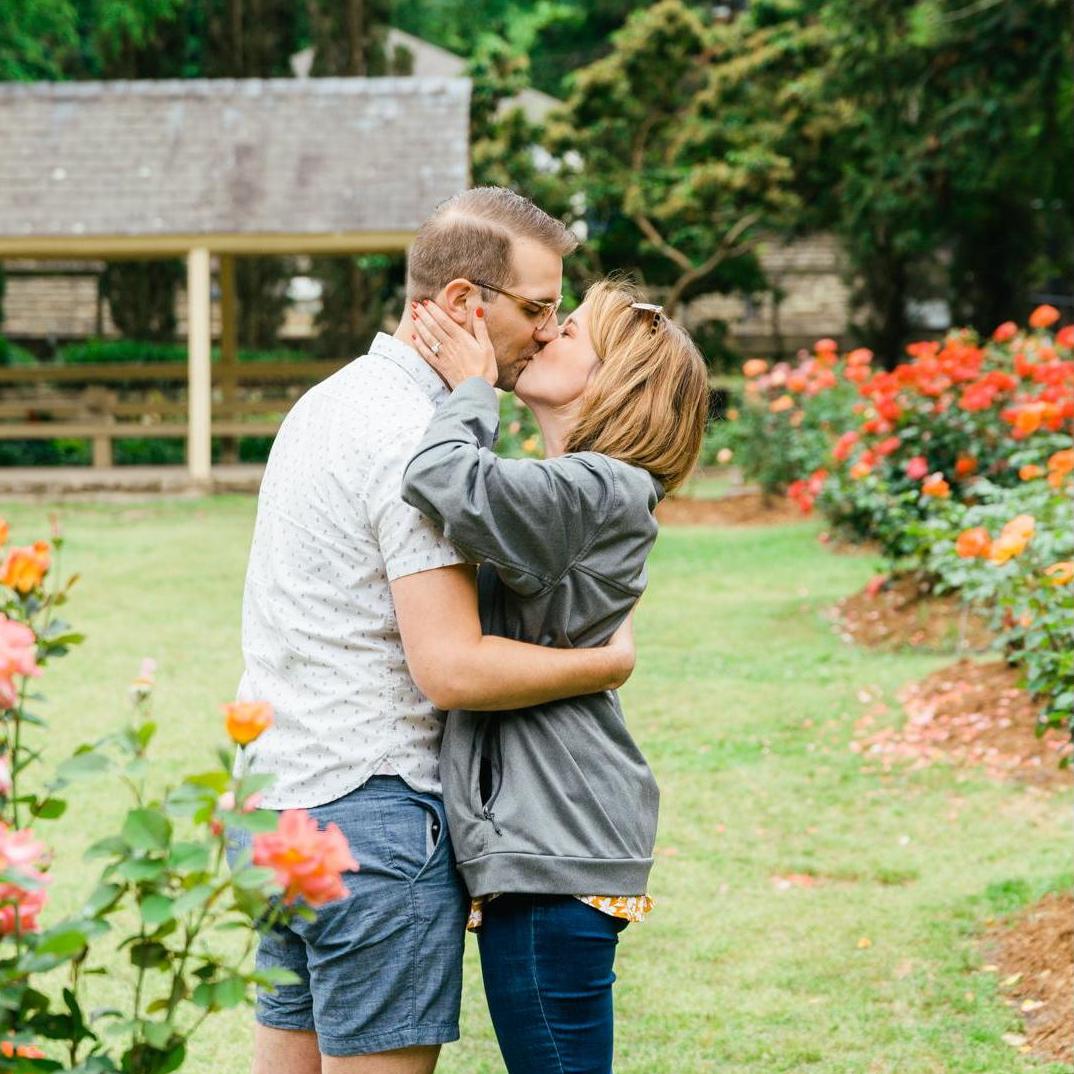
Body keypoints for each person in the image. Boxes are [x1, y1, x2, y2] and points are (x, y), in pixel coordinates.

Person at [229, 188, 638, 1074]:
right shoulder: (417, 438)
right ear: (463, 303)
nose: (546, 329)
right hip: (373, 822)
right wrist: (603, 664)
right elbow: (450, 666)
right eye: (536, 308)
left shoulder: (331, 399)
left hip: (271, 804)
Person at [401, 279, 709, 1074]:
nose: (542, 338)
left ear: (613, 381)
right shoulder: (581, 490)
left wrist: (472, 386)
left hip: (555, 840)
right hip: (555, 832)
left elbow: (442, 480)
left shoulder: (598, 485)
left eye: (567, 332)